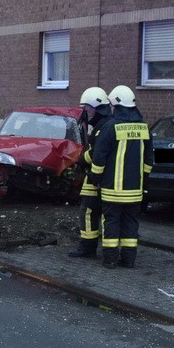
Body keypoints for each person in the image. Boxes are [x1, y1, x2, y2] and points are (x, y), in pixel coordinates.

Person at [89, 85, 153, 269]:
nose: (110, 108)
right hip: (135, 191)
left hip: (112, 190)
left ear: (116, 105)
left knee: (111, 222)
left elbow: (99, 158)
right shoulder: (144, 127)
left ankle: (110, 259)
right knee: (130, 224)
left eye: (111, 105)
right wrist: (144, 179)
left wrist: (95, 179)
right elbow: (149, 159)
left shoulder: (111, 127)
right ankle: (129, 259)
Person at [68, 87, 112, 258]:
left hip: (97, 178)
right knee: (94, 213)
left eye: (87, 108)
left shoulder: (104, 127)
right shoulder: (103, 124)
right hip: (101, 178)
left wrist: (81, 160)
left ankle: (87, 248)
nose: (85, 111)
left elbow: (97, 153)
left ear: (96, 107)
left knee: (88, 212)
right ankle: (96, 248)